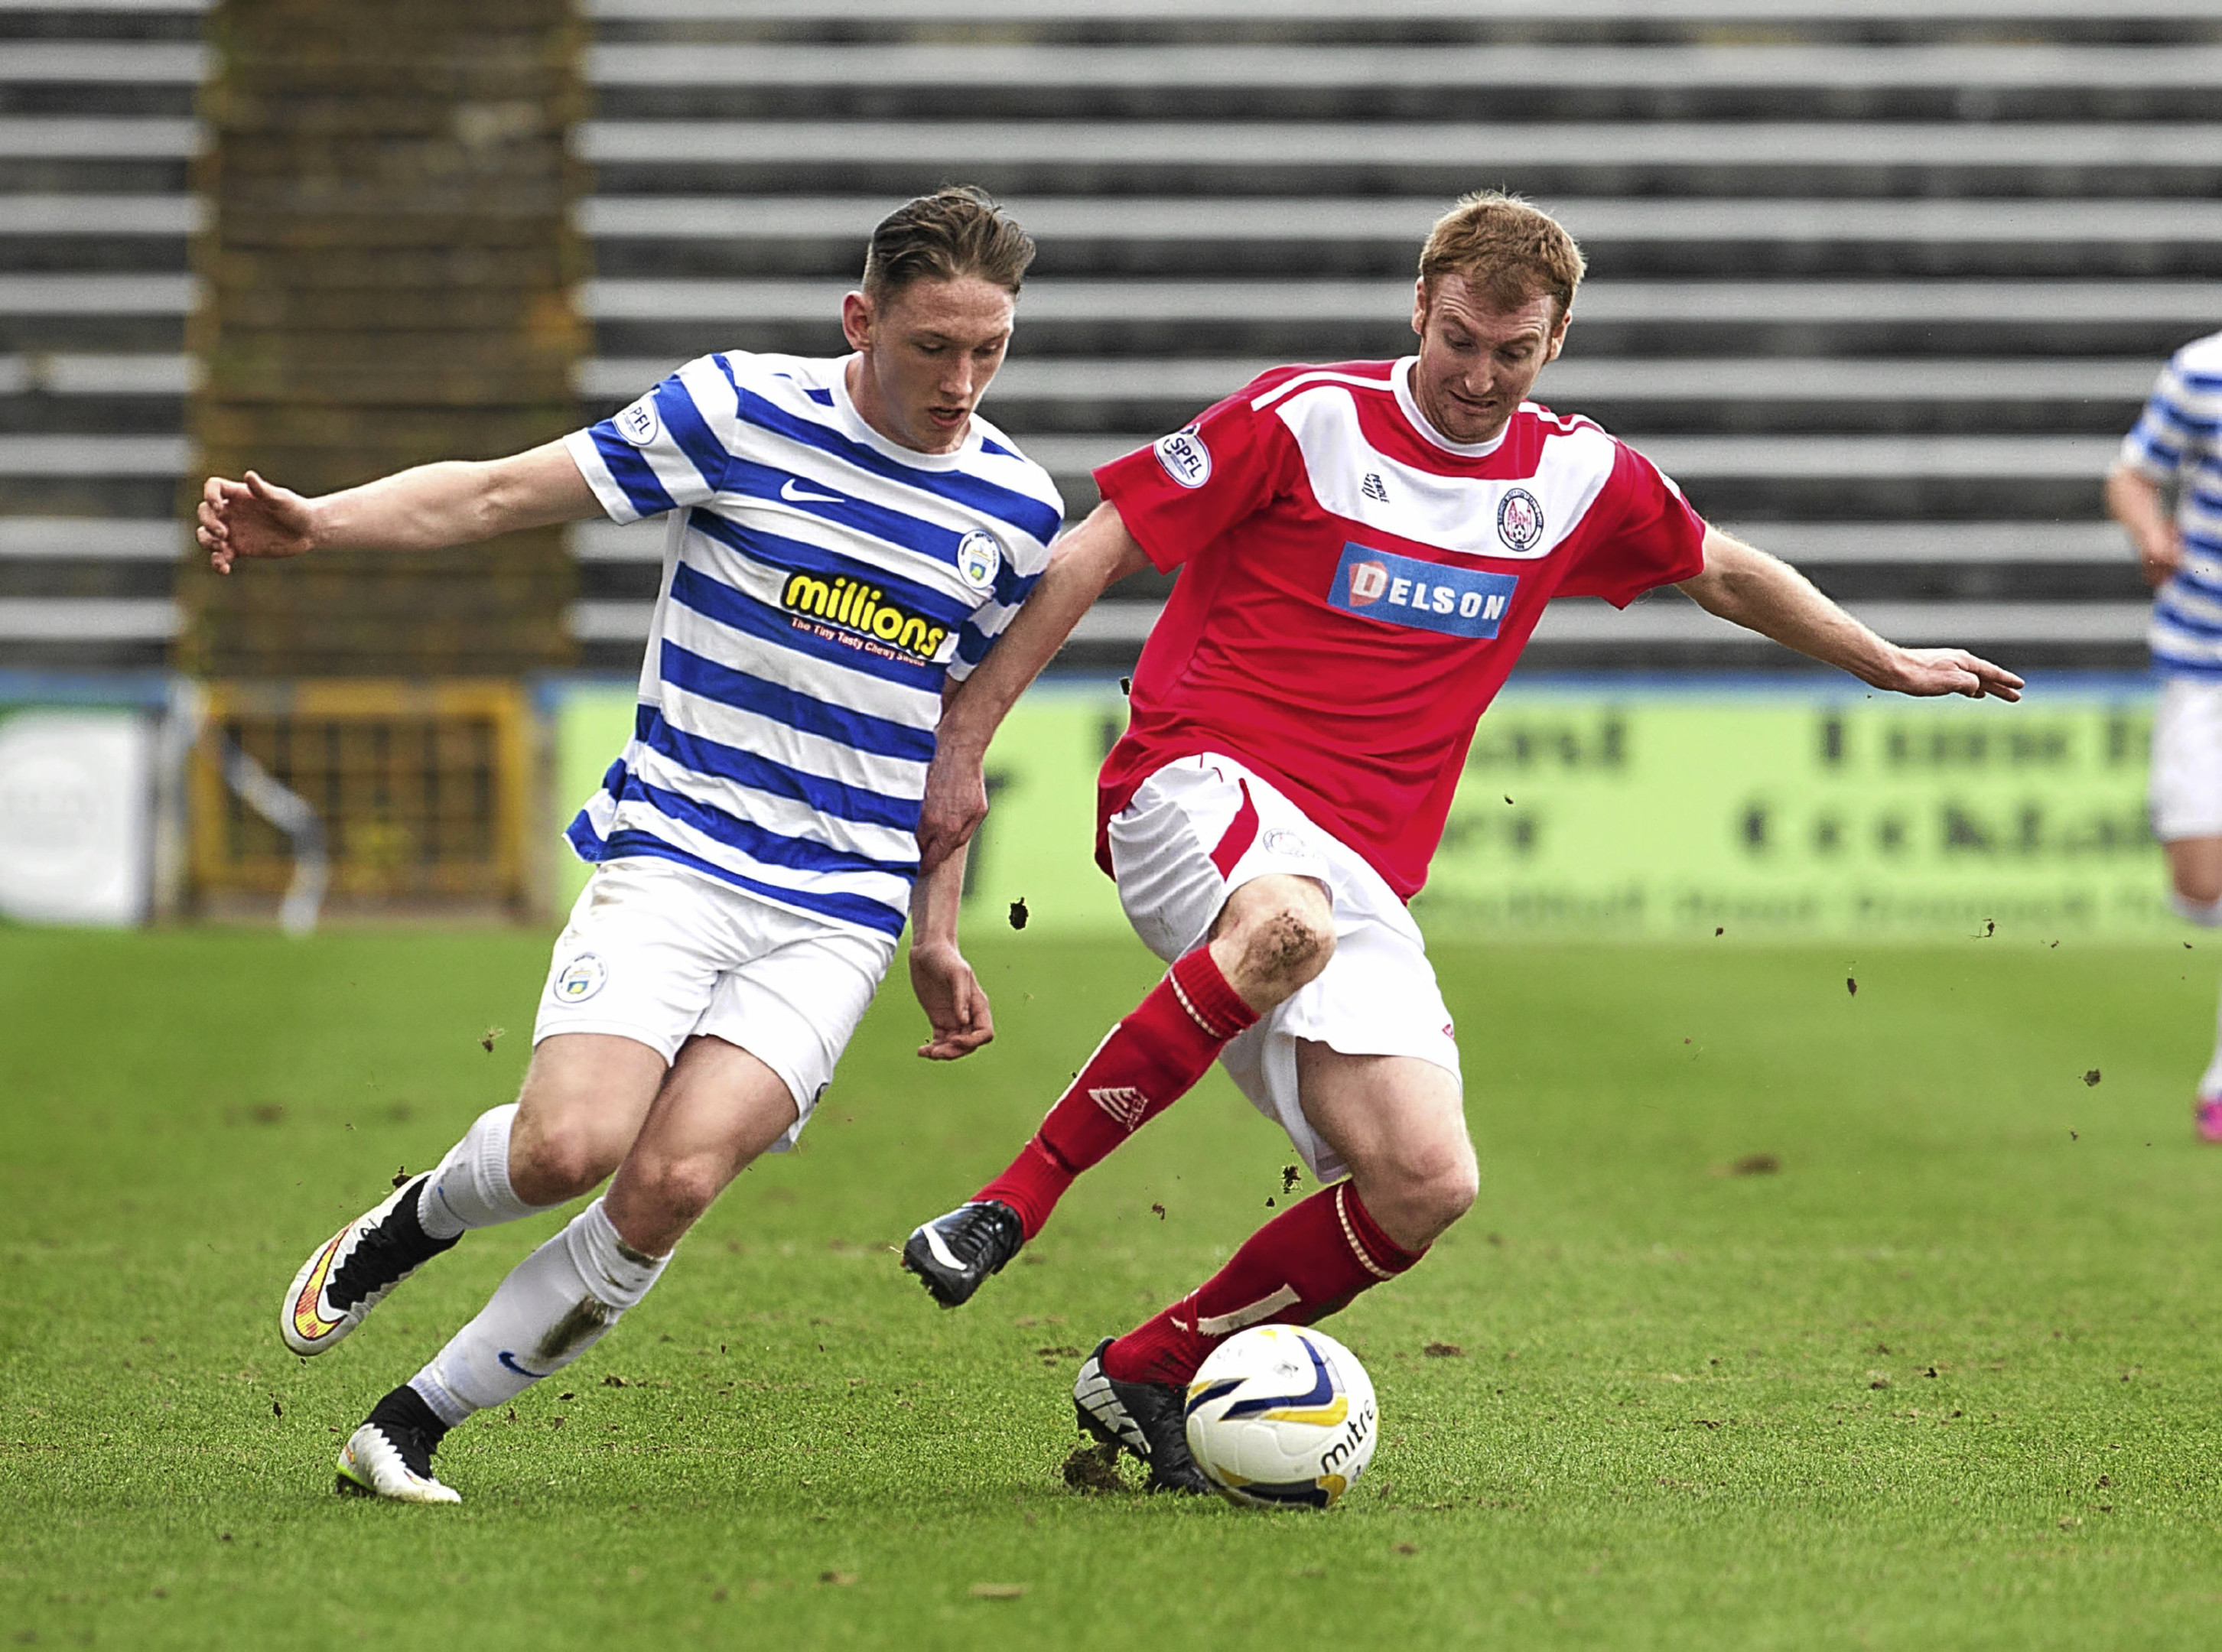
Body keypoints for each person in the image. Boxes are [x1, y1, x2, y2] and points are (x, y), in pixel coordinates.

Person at [896, 191, 2025, 1494]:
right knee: (1288, 926)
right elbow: (1099, 546)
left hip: (1360, 864)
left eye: (1513, 354)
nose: (1480, 378)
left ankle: (1148, 1369)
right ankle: (1011, 1202)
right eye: (1459, 343)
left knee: (1425, 1180)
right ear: (1419, 313)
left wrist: (1882, 660)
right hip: (1196, 781)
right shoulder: (1301, 416)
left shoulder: (1576, 474)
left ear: (1553, 345)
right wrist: (969, 735)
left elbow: (1717, 566)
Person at [196, 187, 1062, 1503]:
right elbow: (495, 496)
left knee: (674, 1180)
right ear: (859, 319)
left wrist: (936, 931)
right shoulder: (737, 409)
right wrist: (321, 521)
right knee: (565, 1151)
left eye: (988, 349)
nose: (961, 380)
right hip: (678, 852)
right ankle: (413, 1220)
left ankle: (407, 1430)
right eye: (932, 346)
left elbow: (951, 744)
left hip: (839, 910)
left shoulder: (1015, 510)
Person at [2108, 328, 2222, 1139]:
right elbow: (2132, 476)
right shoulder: (2202, 371)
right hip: (2202, 657)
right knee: (2202, 883)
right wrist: (2150, 533)